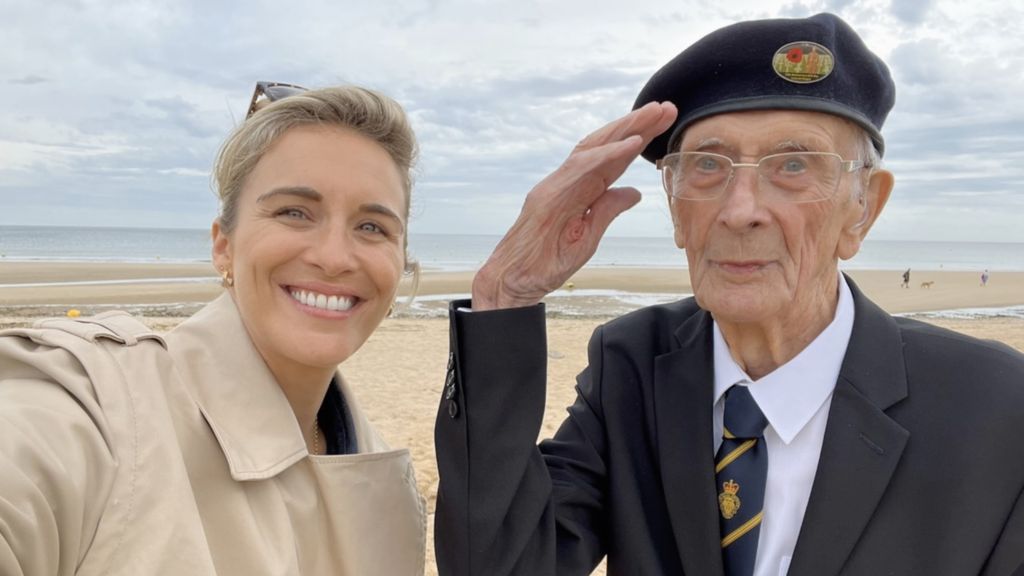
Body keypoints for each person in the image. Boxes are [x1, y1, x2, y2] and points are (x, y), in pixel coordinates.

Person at [434, 13, 1024, 576]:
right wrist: (506, 295)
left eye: (794, 165)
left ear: (862, 210)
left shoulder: (996, 410)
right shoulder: (630, 368)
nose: (740, 211)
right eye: (708, 165)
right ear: (674, 207)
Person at [0, 84, 426, 574]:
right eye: (294, 212)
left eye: (372, 227)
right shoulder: (102, 408)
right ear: (224, 246)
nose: (333, 257)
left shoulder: (379, 467)